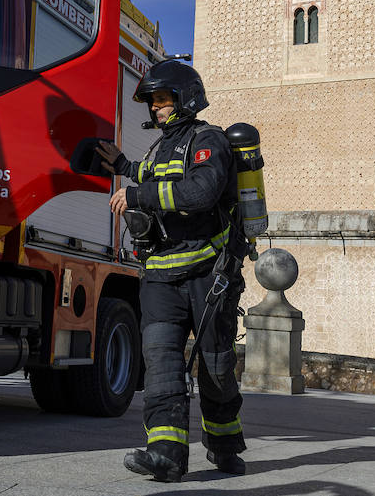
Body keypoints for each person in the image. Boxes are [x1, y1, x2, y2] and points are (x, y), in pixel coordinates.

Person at [97, 59, 247, 483]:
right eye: (154, 102)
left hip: (207, 273)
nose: (157, 108)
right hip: (160, 275)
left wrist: (138, 193)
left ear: (185, 99)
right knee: (161, 363)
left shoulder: (208, 140)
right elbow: (145, 175)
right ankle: (165, 454)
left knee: (216, 366)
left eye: (163, 100)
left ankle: (223, 443)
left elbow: (200, 191)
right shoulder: (156, 150)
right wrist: (122, 166)